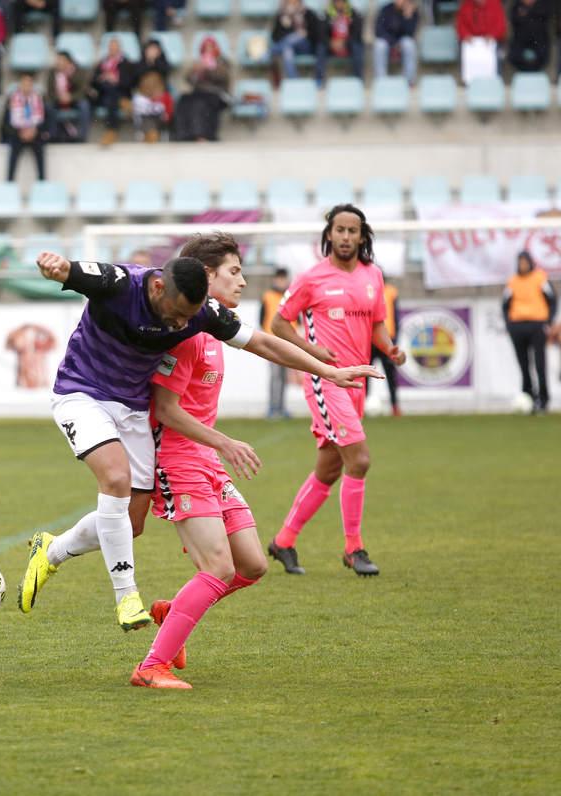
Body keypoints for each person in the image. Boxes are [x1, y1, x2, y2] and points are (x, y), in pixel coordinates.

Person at [17, 249, 380, 635]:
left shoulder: (203, 313)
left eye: (188, 319)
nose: (180, 325)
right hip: (82, 394)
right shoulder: (119, 282)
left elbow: (264, 344)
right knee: (116, 480)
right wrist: (56, 268)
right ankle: (127, 596)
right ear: (158, 287)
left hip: (133, 408)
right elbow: (71, 270)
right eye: (176, 314)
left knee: (131, 523)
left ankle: (51, 551)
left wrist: (327, 370)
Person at [130, 232, 381, 689]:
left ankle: (174, 613)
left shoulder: (215, 326)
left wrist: (331, 371)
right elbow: (164, 411)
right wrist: (225, 442)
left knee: (252, 566)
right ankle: (150, 667)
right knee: (219, 569)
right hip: (178, 460)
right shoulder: (186, 334)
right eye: (234, 272)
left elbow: (267, 343)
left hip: (206, 458)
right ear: (207, 276)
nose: (243, 281)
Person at [269, 204, 406, 578]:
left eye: (353, 231)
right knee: (359, 460)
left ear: (362, 237)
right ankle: (353, 548)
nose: (346, 237)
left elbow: (377, 324)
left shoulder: (372, 276)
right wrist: (313, 353)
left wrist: (390, 348)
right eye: (340, 230)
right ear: (328, 235)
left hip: (357, 382)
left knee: (329, 470)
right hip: (325, 379)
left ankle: (283, 541)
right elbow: (278, 324)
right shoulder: (311, 278)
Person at [503, 250, 556, 413]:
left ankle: (543, 398)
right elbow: (505, 304)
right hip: (517, 326)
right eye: (520, 262)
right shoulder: (513, 281)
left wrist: (548, 321)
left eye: (525, 262)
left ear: (530, 262)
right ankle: (528, 396)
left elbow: (552, 299)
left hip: (537, 324)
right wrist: (509, 323)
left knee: (540, 364)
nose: (523, 265)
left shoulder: (540, 278)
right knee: (524, 364)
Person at [174, 36, 231, 142]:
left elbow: (223, 78)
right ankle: (183, 134)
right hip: (199, 93)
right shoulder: (198, 62)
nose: (208, 50)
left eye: (210, 47)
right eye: (206, 48)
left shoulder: (222, 62)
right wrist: (196, 71)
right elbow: (189, 79)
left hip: (217, 93)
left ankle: (202, 135)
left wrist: (209, 69)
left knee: (200, 104)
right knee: (183, 100)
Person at [89, 37, 135, 146]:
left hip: (119, 92)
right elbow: (93, 81)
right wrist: (103, 78)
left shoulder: (126, 63)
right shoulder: (102, 63)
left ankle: (111, 130)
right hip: (104, 94)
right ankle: (123, 104)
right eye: (111, 48)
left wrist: (116, 80)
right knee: (108, 94)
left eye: (115, 48)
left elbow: (130, 83)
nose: (113, 50)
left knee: (112, 95)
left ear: (119, 49)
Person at [259, 267, 291, 419]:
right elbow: (262, 319)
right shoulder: (267, 296)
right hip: (272, 343)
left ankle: (282, 407)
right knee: (274, 376)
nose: (281, 281)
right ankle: (272, 407)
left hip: (288, 343)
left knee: (284, 377)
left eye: (283, 278)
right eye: (279, 278)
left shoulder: (290, 297)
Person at [369, 274, 401, 416]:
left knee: (391, 374)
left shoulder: (391, 292)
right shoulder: (366, 291)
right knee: (364, 374)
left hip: (387, 340)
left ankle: (395, 406)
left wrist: (395, 340)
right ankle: (362, 406)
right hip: (369, 340)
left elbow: (396, 316)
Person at [5, 73, 47, 181]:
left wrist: (34, 129)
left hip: (35, 133)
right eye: (24, 84)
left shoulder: (39, 98)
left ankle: (42, 182)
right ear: (20, 85)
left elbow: (43, 119)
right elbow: (7, 122)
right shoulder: (12, 99)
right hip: (18, 133)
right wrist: (21, 131)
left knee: (41, 153)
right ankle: (10, 182)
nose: (27, 86)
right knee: (13, 155)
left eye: (29, 84)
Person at [131, 39, 173, 143]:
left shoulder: (163, 63)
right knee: (141, 108)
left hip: (159, 96)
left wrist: (155, 61)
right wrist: (148, 63)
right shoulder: (140, 64)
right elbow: (135, 77)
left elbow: (165, 71)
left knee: (162, 108)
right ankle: (147, 132)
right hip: (143, 97)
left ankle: (157, 132)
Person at [45, 51, 91, 143]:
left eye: (61, 60)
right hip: (58, 99)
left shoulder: (78, 71)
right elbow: (50, 91)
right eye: (57, 60)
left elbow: (82, 90)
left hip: (74, 100)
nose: (58, 62)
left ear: (68, 61)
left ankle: (81, 136)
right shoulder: (52, 72)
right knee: (48, 106)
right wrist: (60, 97)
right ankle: (53, 135)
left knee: (84, 105)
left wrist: (71, 97)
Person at [455, 0, 507, 83]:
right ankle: (467, 82)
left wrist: (493, 35)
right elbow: (460, 24)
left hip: (491, 41)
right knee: (462, 53)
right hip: (471, 42)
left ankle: (495, 82)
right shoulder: (466, 4)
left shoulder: (495, 4)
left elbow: (501, 26)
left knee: (498, 55)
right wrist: (466, 35)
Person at [270, 0, 321, 81]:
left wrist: (305, 34)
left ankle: (271, 51)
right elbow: (274, 37)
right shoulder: (282, 16)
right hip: (290, 46)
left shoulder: (308, 13)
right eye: (290, 2)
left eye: (295, 2)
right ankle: (294, 81)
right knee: (287, 50)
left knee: (296, 37)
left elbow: (316, 32)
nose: (292, 4)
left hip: (306, 46)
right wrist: (285, 26)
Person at [316, 0, 365, 85]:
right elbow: (321, 33)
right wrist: (330, 42)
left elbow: (357, 33)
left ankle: (358, 79)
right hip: (332, 45)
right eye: (337, 2)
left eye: (341, 1)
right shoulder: (327, 14)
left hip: (348, 45)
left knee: (357, 47)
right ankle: (319, 80)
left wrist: (344, 42)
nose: (339, 4)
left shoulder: (353, 13)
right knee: (321, 47)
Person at [373, 0, 419, 86]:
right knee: (379, 45)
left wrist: (408, 17)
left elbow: (410, 33)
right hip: (387, 40)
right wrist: (393, 42)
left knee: (409, 44)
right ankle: (381, 81)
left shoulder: (412, 11)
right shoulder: (386, 9)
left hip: (402, 41)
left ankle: (409, 82)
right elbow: (378, 30)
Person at [508, 0, 551, 73]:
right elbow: (514, 19)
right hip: (520, 43)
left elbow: (545, 17)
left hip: (539, 43)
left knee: (542, 58)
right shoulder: (517, 6)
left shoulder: (542, 5)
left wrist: (528, 12)